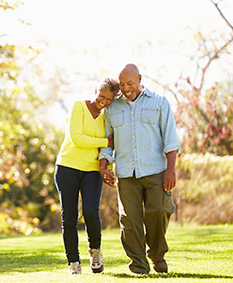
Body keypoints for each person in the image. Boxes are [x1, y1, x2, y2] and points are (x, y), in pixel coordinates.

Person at [99, 64, 180, 275]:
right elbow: (108, 140)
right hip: (126, 173)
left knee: (160, 211)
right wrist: (104, 165)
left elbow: (170, 138)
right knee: (130, 221)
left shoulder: (159, 102)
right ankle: (138, 265)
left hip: (156, 170)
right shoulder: (112, 108)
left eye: (130, 83)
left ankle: (157, 253)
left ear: (139, 79)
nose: (126, 88)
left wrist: (170, 169)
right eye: (122, 84)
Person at [54, 78, 119, 275]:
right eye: (102, 96)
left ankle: (95, 251)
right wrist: (105, 141)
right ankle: (73, 263)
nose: (104, 101)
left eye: (109, 99)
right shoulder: (78, 107)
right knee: (70, 217)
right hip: (67, 167)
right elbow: (77, 138)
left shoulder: (107, 117)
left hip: (91, 170)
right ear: (95, 91)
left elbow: (110, 146)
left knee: (91, 212)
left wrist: (107, 155)